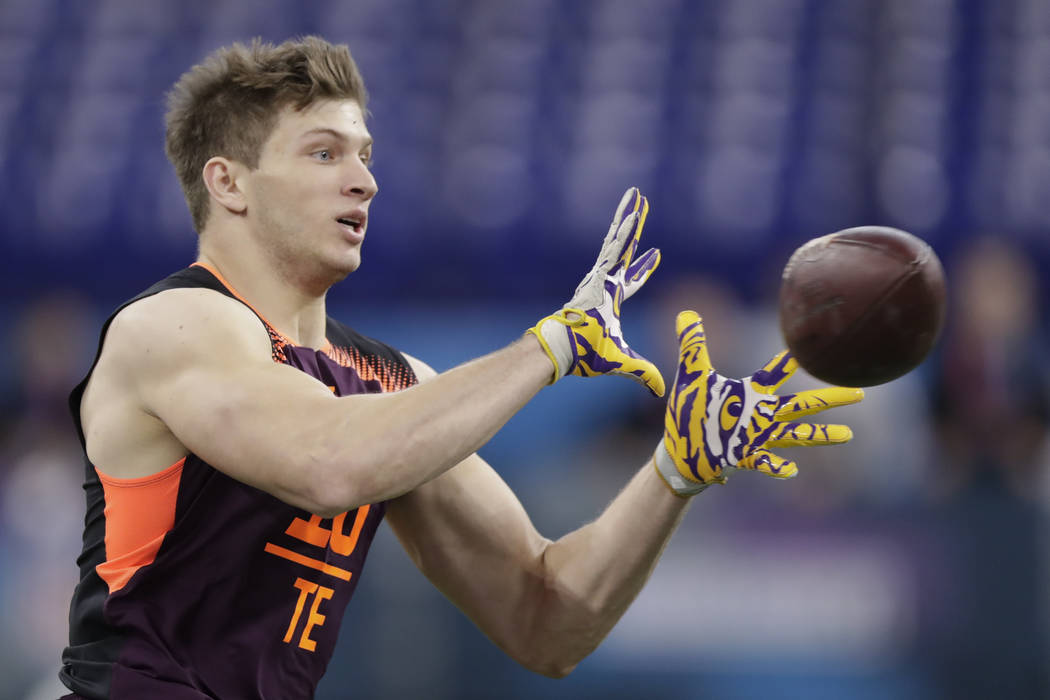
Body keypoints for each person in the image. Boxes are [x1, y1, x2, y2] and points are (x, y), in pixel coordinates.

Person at [59, 36, 863, 700]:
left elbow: (546, 620)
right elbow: (328, 461)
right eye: (323, 152)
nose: (363, 179)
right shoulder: (170, 326)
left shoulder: (388, 384)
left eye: (366, 154)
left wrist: (673, 472)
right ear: (228, 183)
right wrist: (548, 349)